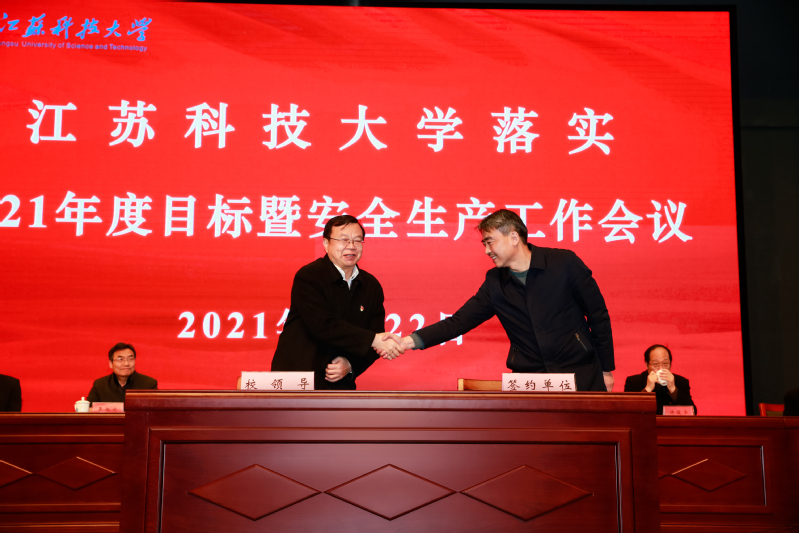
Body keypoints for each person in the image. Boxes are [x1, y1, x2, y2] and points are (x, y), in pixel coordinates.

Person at [385, 209, 615, 392]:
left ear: (514, 237)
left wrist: (606, 370)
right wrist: (407, 342)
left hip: (579, 374)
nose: (487, 250)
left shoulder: (564, 263)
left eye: (490, 242)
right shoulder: (495, 282)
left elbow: (598, 316)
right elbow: (458, 322)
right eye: (484, 244)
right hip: (529, 381)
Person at [271, 215, 402, 390]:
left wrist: (351, 365)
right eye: (344, 240)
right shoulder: (309, 276)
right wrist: (373, 340)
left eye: (357, 240)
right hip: (297, 379)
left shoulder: (371, 285)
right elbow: (322, 325)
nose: (351, 246)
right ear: (326, 243)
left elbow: (376, 336)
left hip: (339, 384)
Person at [623, 344, 696, 415]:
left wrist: (673, 389)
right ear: (647, 365)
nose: (661, 368)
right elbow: (627, 410)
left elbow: (692, 412)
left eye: (665, 363)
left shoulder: (681, 382)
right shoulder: (634, 382)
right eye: (655, 364)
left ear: (670, 364)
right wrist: (647, 389)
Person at [87, 343, 157, 404]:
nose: (126, 363)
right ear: (111, 363)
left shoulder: (149, 385)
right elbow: (89, 410)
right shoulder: (100, 385)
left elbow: (156, 411)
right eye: (120, 359)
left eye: (130, 359)